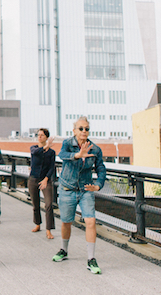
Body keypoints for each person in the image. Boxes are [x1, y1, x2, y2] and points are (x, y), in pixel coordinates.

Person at [52, 116, 106, 275]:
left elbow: (101, 168)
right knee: (66, 222)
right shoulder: (68, 143)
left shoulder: (95, 149)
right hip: (67, 189)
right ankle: (64, 249)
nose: (84, 131)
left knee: (91, 221)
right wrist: (77, 155)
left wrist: (98, 185)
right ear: (74, 130)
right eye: (81, 128)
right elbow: (61, 155)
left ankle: (91, 259)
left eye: (87, 129)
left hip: (85, 190)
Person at [29, 128, 56, 239]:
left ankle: (48, 230)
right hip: (33, 179)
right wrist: (45, 147)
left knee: (49, 204)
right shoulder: (34, 148)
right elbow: (35, 153)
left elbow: (51, 167)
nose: (39, 137)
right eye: (38, 135)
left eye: (42, 135)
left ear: (46, 137)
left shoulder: (51, 153)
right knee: (35, 204)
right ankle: (37, 224)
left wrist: (46, 179)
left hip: (46, 180)